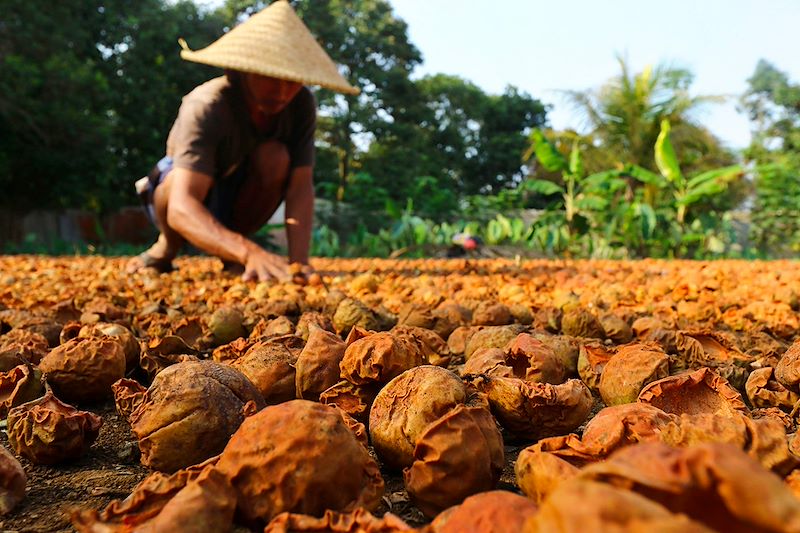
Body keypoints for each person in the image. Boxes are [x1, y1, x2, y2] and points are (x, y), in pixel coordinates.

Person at [127, 0, 358, 281]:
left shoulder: (301, 105)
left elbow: (300, 187)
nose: (283, 91)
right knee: (177, 181)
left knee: (275, 157)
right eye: (271, 76)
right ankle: (167, 246)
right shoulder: (206, 105)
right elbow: (180, 206)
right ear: (239, 71)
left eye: (292, 79)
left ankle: (229, 252)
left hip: (241, 199)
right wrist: (249, 252)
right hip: (182, 196)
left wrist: (300, 264)